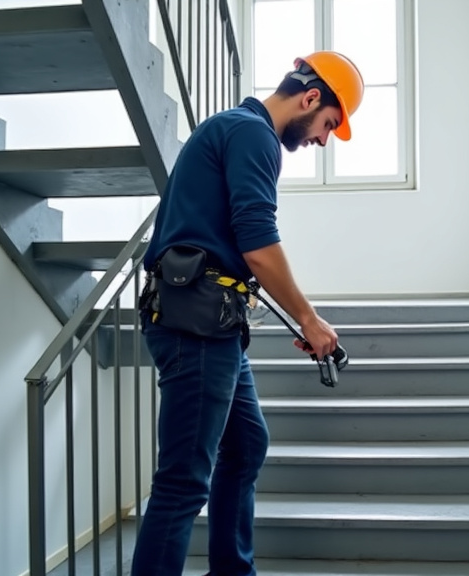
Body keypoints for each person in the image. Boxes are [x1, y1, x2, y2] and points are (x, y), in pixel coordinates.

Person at [131, 51, 364, 576]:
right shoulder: (254, 135)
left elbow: (234, 245)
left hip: (213, 323)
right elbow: (258, 243)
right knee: (183, 481)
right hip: (196, 327)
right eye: (328, 124)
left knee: (244, 445)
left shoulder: (234, 128)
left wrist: (297, 315)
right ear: (310, 98)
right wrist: (308, 318)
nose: (323, 139)